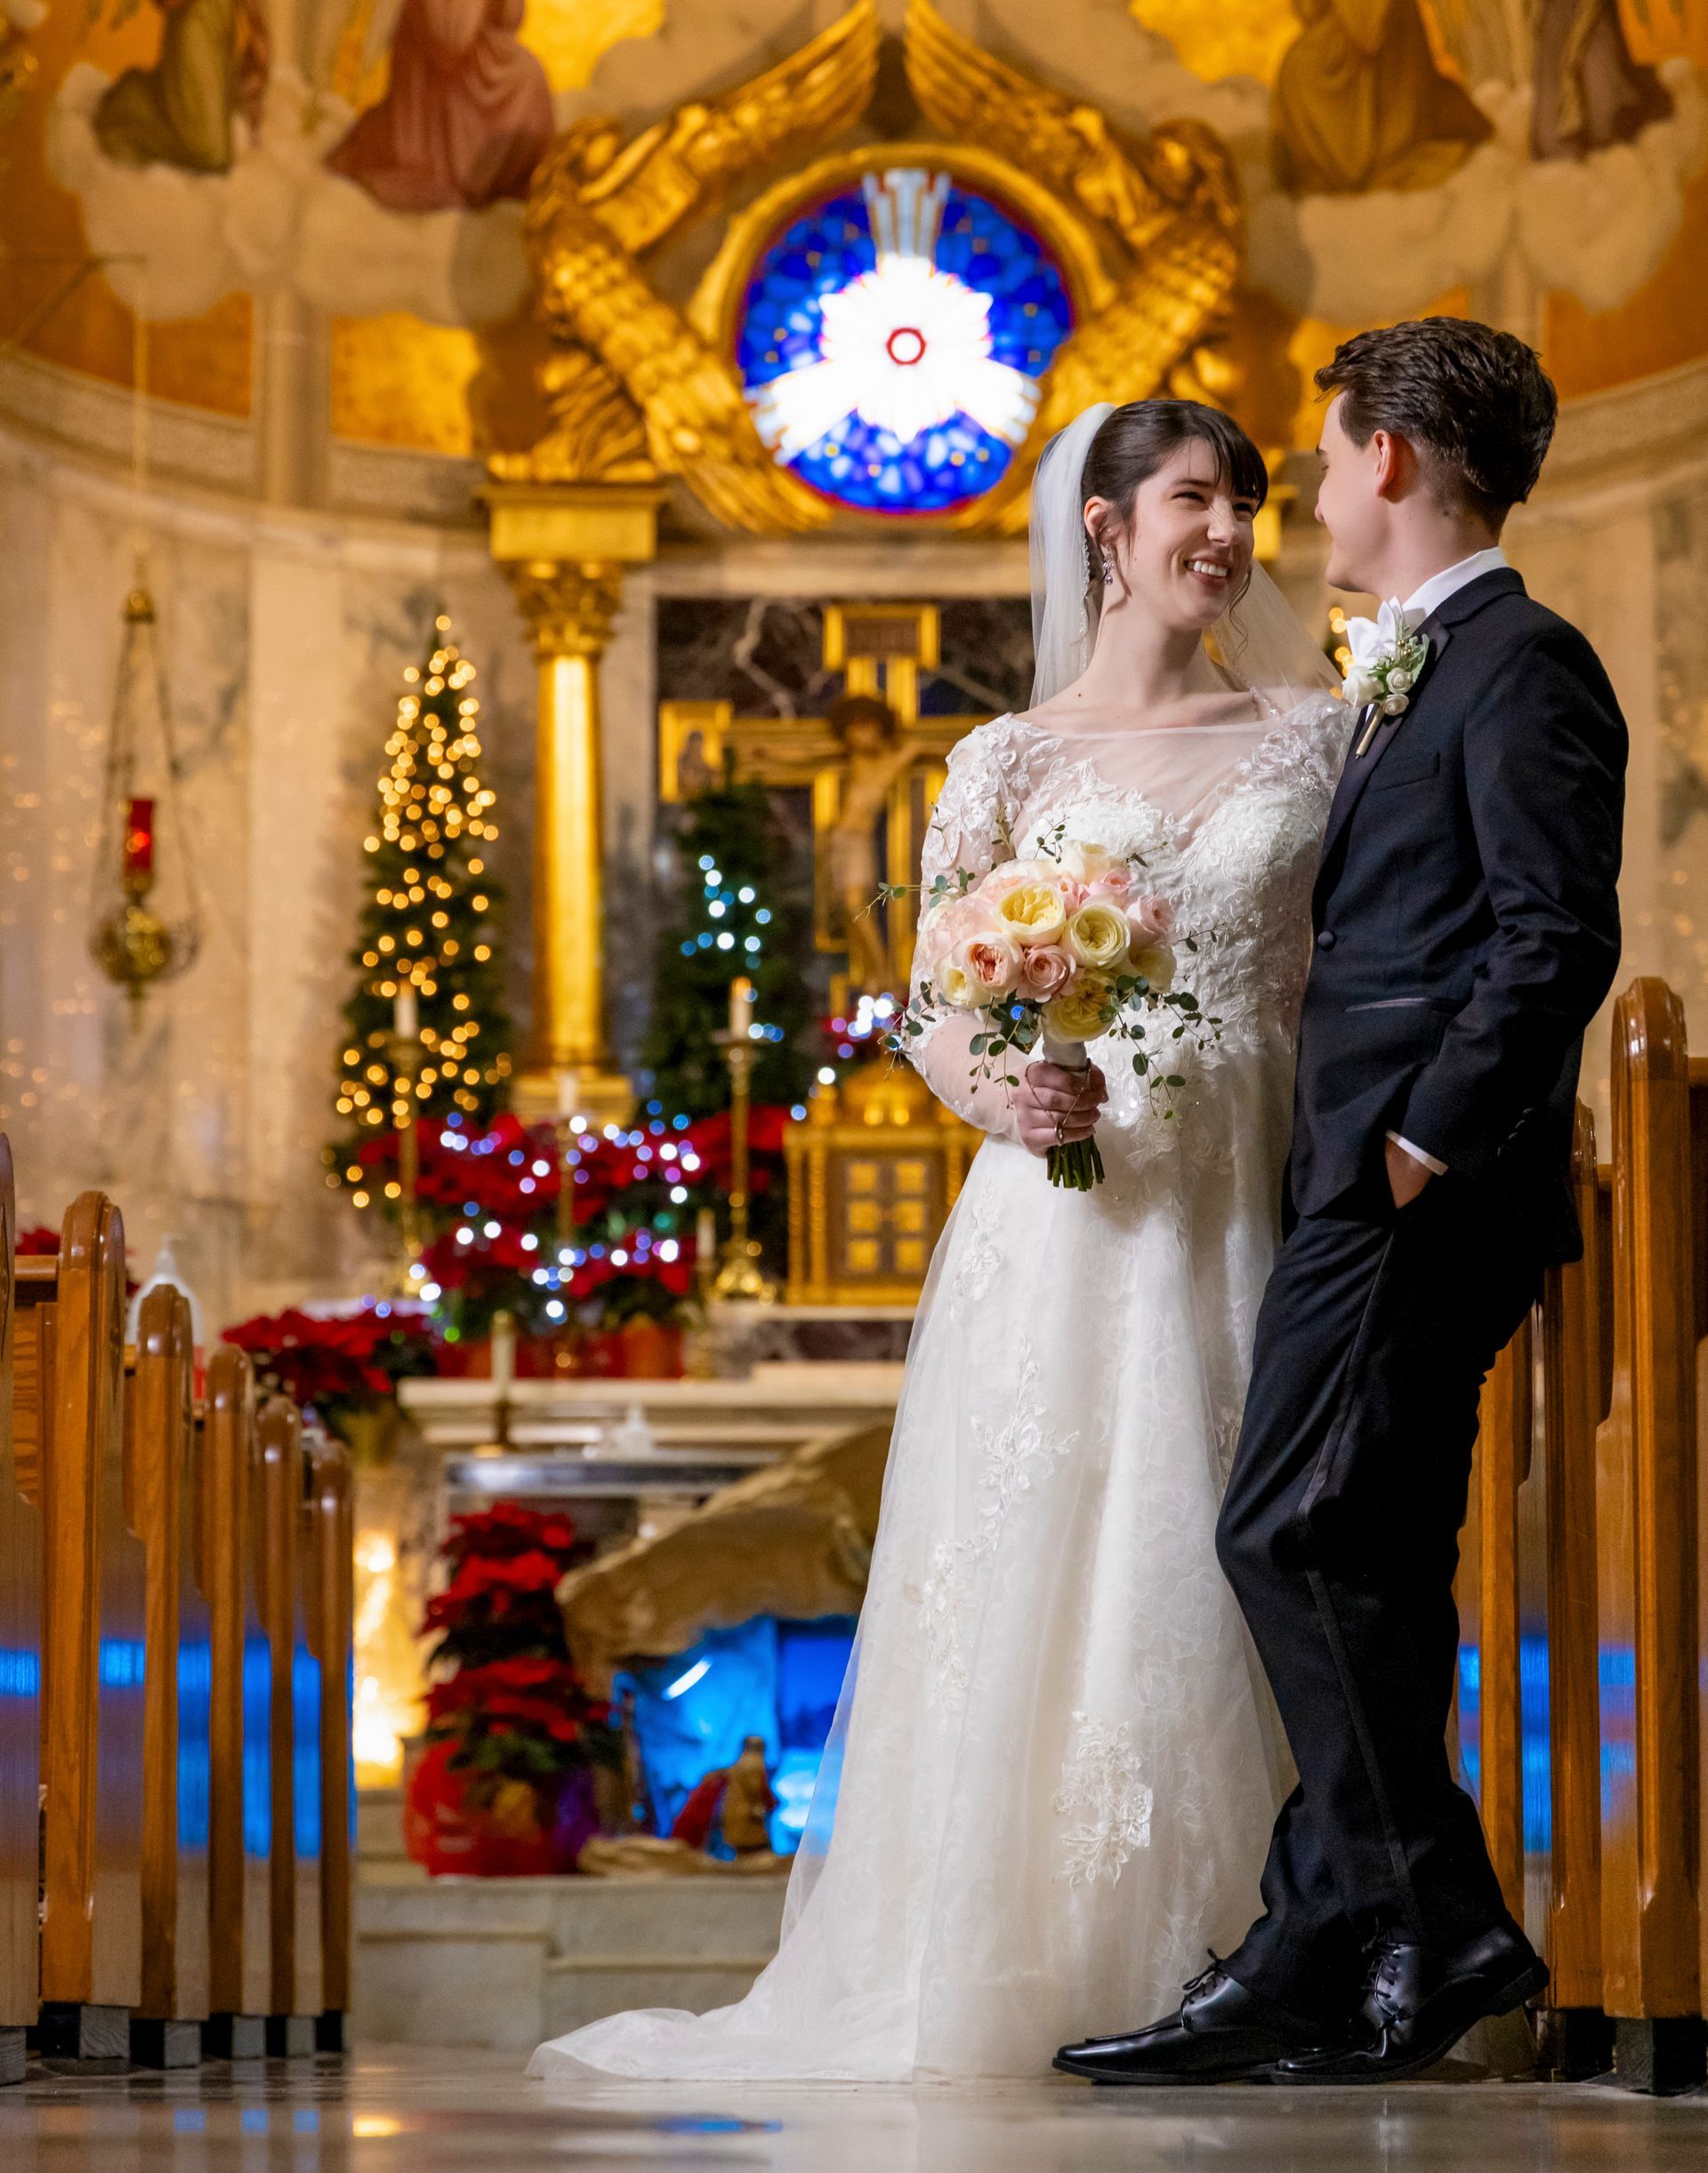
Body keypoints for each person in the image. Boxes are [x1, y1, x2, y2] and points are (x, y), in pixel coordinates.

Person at [528, 398, 1348, 2083]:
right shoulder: (1004, 763)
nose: (1229, 532)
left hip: (1242, 1205)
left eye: (1251, 502)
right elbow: (934, 1005)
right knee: (1047, 1567)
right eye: (1195, 497)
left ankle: (1274, 1957)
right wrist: (1006, 1094)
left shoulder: (1315, 739)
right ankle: (1027, 1966)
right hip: (1059, 1229)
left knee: (1225, 1550)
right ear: (1108, 529)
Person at [1058, 318, 1626, 2086]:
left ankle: (1432, 1920)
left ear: (1388, 458)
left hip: (1407, 1187)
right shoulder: (1419, 668)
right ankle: (1319, 1948)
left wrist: (1419, 1138)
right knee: (1360, 1551)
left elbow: (1554, 935)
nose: (1300, 494)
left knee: (1285, 1533)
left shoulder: (1521, 663)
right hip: (1360, 1177)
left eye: (1311, 459)